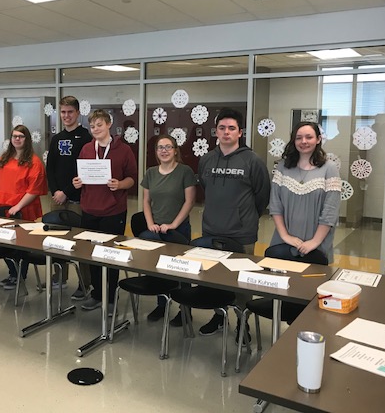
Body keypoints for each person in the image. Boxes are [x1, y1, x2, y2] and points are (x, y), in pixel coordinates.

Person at [188, 108, 270, 337]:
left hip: (241, 233)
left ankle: (242, 323)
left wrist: (244, 215)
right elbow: (206, 187)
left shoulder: (252, 160)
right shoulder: (207, 159)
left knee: (242, 282)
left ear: (240, 132)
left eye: (231, 128)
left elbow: (262, 196)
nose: (226, 132)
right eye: (222, 128)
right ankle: (218, 315)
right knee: (213, 279)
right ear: (216, 131)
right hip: (211, 230)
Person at [73, 109, 137, 312]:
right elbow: (81, 176)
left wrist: (120, 184)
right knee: (92, 255)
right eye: (92, 126)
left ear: (109, 124)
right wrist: (77, 182)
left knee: (110, 255)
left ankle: (110, 297)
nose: (95, 129)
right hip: (90, 208)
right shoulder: (86, 149)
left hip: (113, 210)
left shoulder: (124, 150)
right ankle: (97, 294)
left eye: (99, 125)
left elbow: (132, 179)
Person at [139, 134, 196, 321]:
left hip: (178, 230)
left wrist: (173, 225)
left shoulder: (184, 171)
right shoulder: (151, 173)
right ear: (156, 152)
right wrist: (150, 223)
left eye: (168, 147)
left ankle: (184, 310)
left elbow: (189, 201)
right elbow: (146, 201)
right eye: (160, 147)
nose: (164, 151)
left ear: (175, 150)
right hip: (156, 231)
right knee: (159, 269)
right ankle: (161, 305)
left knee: (181, 271)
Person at [267, 121, 341, 265]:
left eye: (309, 137)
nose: (304, 141)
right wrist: (285, 236)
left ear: (318, 139)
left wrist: (315, 241)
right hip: (284, 241)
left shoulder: (329, 168)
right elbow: (275, 205)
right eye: (299, 137)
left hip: (316, 244)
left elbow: (330, 211)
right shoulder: (283, 166)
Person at [0, 125, 48, 289]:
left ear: (27, 139)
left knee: (20, 246)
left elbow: (34, 190)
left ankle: (19, 276)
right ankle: (12, 273)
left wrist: (18, 206)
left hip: (23, 209)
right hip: (1, 208)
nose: (17, 139)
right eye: (14, 136)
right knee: (2, 244)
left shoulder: (34, 162)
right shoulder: (4, 158)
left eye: (21, 136)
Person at [46, 96, 92, 297]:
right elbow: (51, 169)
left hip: (77, 199)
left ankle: (85, 283)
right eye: (63, 112)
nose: (66, 116)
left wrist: (66, 192)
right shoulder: (56, 138)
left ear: (77, 113)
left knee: (80, 243)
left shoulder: (86, 138)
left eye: (70, 112)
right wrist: (56, 191)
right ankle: (60, 276)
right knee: (57, 240)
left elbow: (83, 171)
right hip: (57, 198)